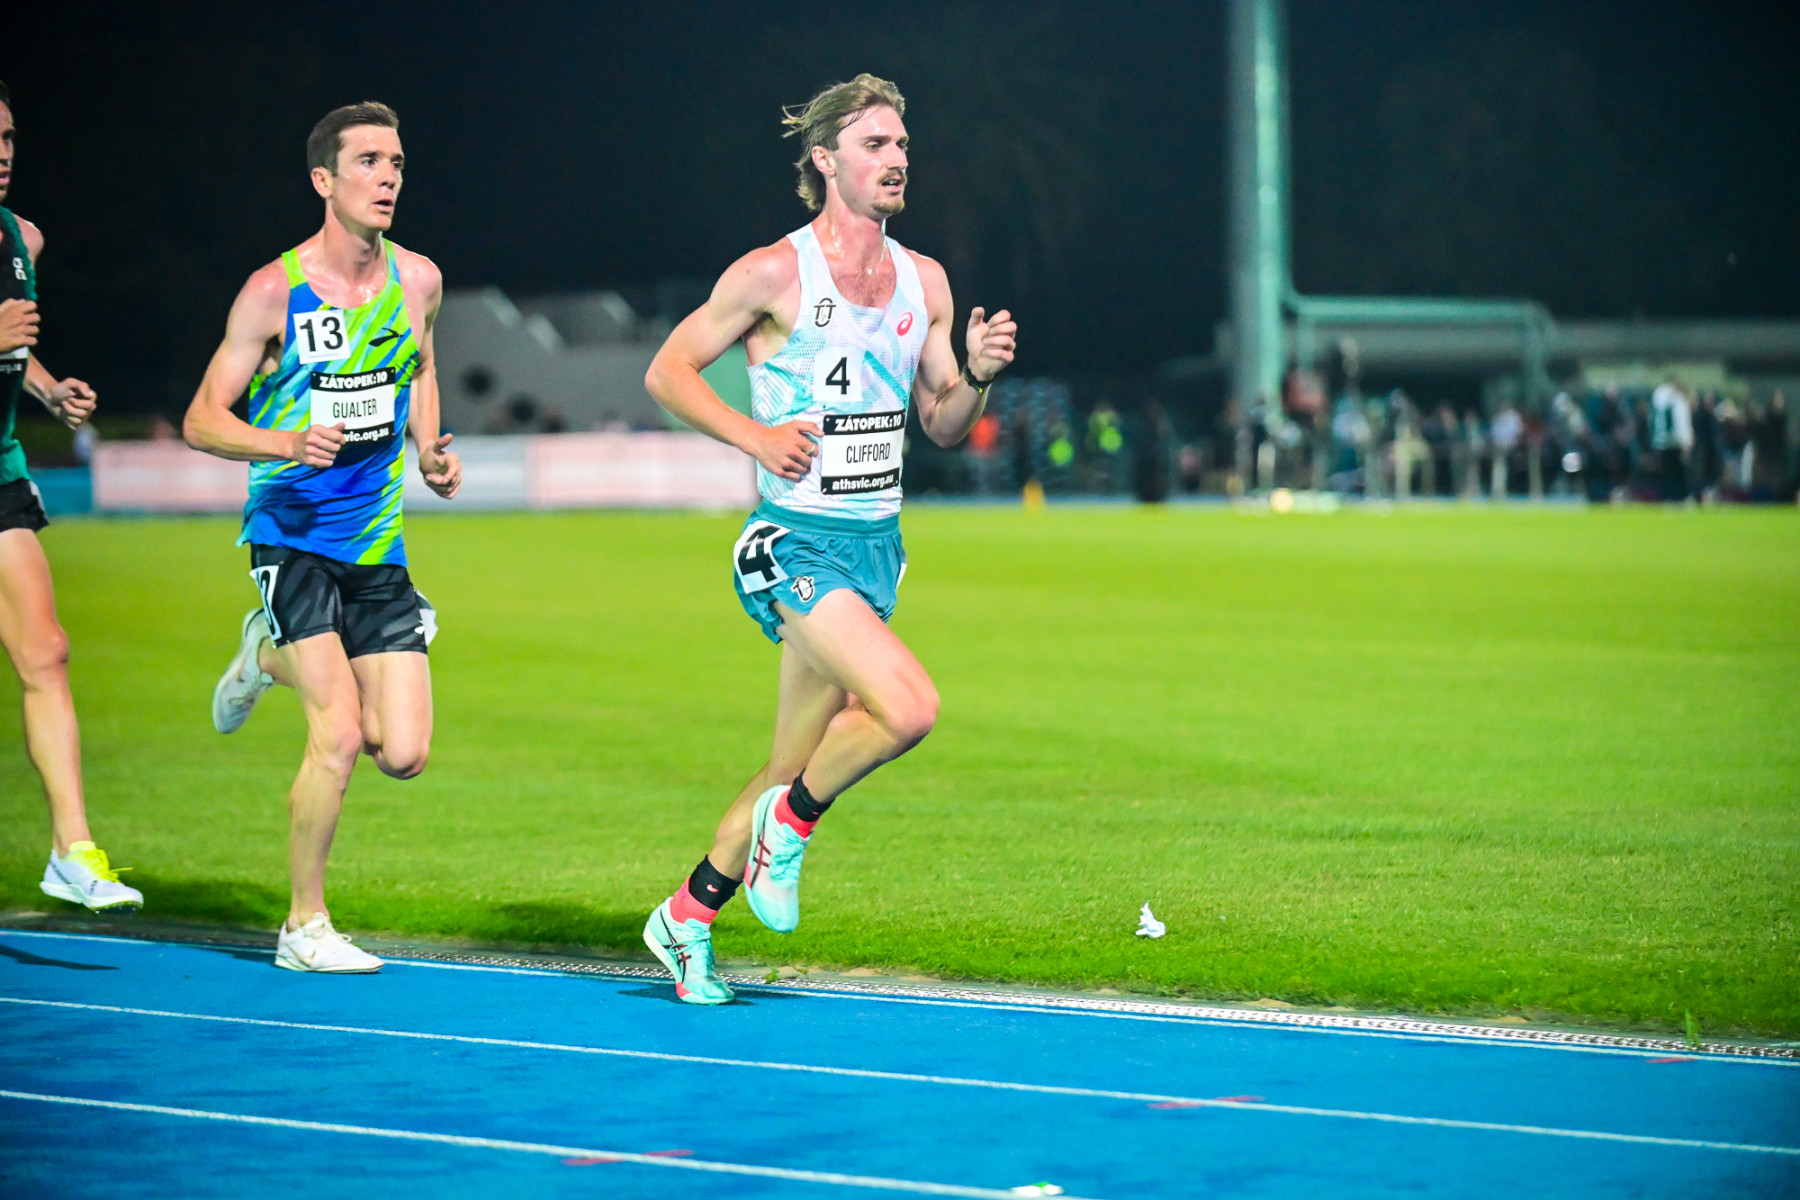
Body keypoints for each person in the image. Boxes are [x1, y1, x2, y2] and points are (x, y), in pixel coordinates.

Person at [639, 74, 1016, 1003]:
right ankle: (794, 826)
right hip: (795, 542)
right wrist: (755, 436)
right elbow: (668, 371)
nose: (896, 160)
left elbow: (941, 422)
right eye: (875, 145)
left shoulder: (925, 281)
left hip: (875, 548)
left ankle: (686, 917)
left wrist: (976, 374)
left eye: (902, 145)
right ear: (826, 160)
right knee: (908, 709)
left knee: (787, 763)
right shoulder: (775, 272)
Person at [183, 102, 461, 973]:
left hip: (375, 544)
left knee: (402, 753)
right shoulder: (275, 292)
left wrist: (428, 447)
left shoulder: (418, 281)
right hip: (291, 534)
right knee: (337, 735)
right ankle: (303, 927)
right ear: (323, 180)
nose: (388, 177)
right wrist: (285, 442)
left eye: (397, 162)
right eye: (368, 161)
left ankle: (263, 655)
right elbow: (201, 420)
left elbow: (421, 364)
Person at [0, 80, 142, 912]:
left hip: (0, 470)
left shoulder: (23, 237)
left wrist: (47, 390)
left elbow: (13, 353)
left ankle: (71, 849)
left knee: (46, 652)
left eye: (9, 138)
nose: (2, 154)